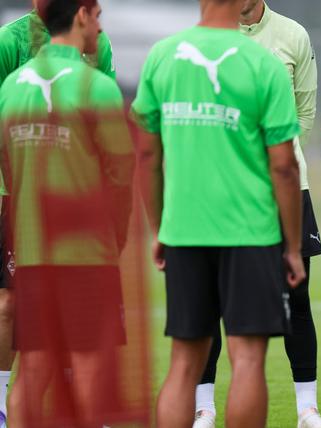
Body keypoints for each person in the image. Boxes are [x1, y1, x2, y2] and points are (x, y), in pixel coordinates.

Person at [132, 0, 305, 425]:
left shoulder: (163, 55)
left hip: (185, 231)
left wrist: (159, 228)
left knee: (184, 362)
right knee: (247, 360)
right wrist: (294, 246)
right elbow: (284, 165)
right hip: (251, 234)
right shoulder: (261, 62)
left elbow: (147, 154)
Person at [191, 1, 321, 427]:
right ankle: (204, 408)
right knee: (207, 303)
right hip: (220, 191)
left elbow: (305, 112)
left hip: (285, 187)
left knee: (298, 299)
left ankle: (307, 409)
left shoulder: (293, 35)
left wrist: (273, 162)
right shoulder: (205, 38)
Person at [0, 0, 131, 426]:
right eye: (97, 16)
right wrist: (119, 239)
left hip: (32, 249)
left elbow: (6, 163)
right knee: (90, 370)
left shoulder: (12, 86)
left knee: (32, 372)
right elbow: (121, 175)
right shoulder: (97, 87)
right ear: (80, 16)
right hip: (88, 253)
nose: (99, 25)